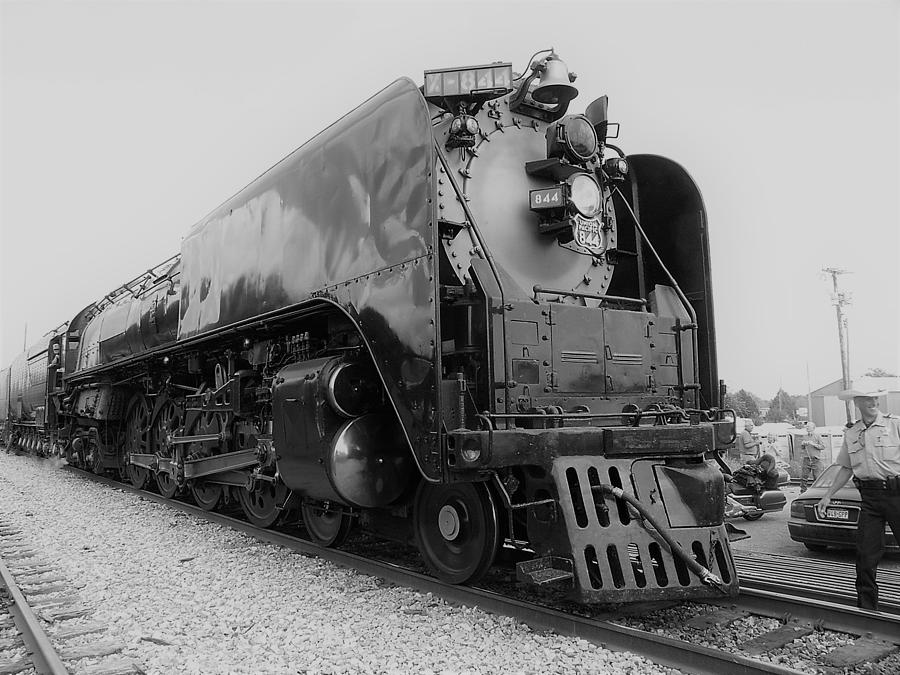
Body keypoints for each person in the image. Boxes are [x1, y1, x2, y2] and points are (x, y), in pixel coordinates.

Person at [816, 389, 900, 611]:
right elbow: (845, 467)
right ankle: (867, 608)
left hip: (897, 495)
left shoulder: (895, 425)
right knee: (865, 555)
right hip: (870, 499)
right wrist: (827, 495)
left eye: (875, 398)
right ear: (857, 403)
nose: (873, 402)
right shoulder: (852, 433)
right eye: (867, 399)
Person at [798, 421, 826, 492]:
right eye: (806, 426)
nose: (807, 428)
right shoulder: (804, 436)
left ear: (813, 428)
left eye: (808, 427)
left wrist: (813, 444)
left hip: (815, 459)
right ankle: (802, 492)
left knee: (816, 477)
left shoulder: (818, 436)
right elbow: (802, 448)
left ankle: (816, 492)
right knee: (804, 477)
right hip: (806, 459)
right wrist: (803, 444)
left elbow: (823, 447)